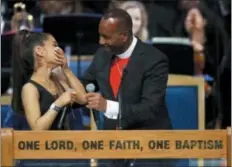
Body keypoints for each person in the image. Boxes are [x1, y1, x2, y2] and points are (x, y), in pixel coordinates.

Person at [82, 8, 173, 167]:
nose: (100, 42)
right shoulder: (102, 55)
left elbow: (150, 109)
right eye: (100, 36)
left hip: (149, 148)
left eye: (106, 37)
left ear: (123, 36)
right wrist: (64, 73)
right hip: (113, 149)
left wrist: (107, 106)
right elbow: (86, 85)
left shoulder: (154, 60)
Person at [11, 30, 88, 166]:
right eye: (54, 45)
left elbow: (82, 99)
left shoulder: (58, 78)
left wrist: (67, 70)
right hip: (45, 159)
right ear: (40, 51)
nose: (59, 49)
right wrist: (58, 103)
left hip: (69, 153)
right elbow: (37, 129)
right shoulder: (30, 88)